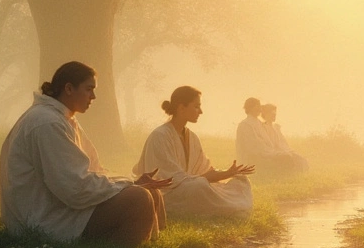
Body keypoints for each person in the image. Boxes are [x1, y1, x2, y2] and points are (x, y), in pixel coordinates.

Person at [0, 61, 170, 245]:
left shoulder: (63, 119)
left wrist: (131, 183)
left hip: (60, 207)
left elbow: (93, 171)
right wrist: (130, 185)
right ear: (69, 88)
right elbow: (74, 188)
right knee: (139, 199)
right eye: (89, 89)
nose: (93, 96)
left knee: (150, 192)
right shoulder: (47, 123)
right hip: (45, 218)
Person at [133, 86, 254, 218]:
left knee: (241, 180)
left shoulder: (192, 137)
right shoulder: (160, 136)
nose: (200, 111)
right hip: (167, 194)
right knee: (199, 186)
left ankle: (233, 208)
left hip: (191, 187)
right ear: (181, 108)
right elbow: (168, 180)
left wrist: (228, 173)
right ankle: (232, 209)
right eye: (196, 106)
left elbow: (204, 172)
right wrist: (200, 180)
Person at [253, 102, 310, 174]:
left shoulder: (276, 127)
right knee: (289, 158)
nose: (274, 116)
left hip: (281, 150)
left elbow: (282, 142)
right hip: (272, 152)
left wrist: (287, 150)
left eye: (275, 114)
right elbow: (267, 144)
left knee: (300, 159)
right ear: (266, 114)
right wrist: (280, 152)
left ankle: (298, 171)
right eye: (272, 114)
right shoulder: (263, 128)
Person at [234, 97, 275, 168]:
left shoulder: (259, 123)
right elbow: (253, 146)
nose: (260, 109)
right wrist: (270, 154)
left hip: (265, 154)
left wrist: (273, 152)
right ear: (250, 108)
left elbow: (267, 141)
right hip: (252, 160)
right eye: (258, 106)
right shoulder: (245, 124)